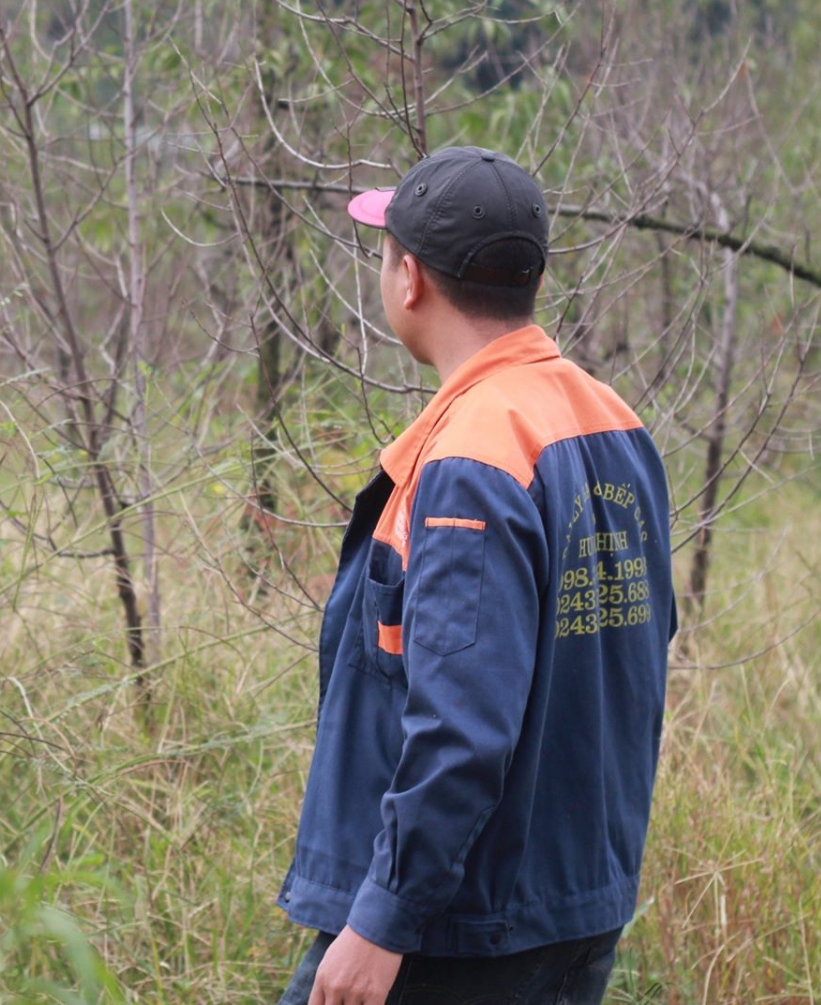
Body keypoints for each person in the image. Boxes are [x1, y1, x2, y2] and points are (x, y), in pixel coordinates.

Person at [275, 147, 678, 1005]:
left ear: (409, 278)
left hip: (455, 933)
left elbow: (462, 725)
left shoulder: (471, 458)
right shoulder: (615, 427)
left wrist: (381, 918)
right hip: (575, 908)